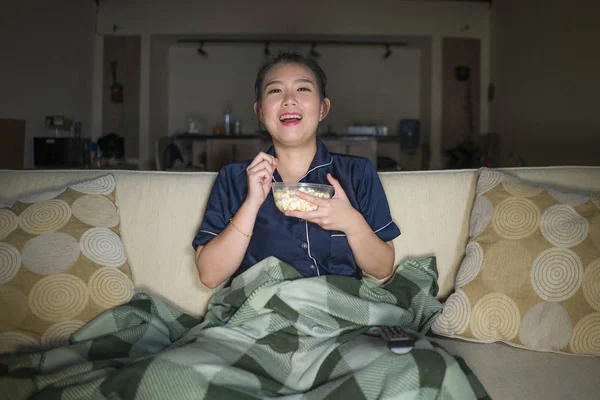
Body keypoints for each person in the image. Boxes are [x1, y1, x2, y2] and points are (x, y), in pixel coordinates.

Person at [193, 52, 400, 289]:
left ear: (323, 108)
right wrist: (251, 204)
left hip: (338, 312)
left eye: (303, 89)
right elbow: (209, 276)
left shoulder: (358, 173)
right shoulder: (233, 178)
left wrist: (352, 223)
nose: (289, 99)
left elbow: (383, 268)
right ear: (260, 111)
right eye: (275, 91)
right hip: (259, 315)